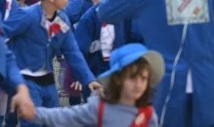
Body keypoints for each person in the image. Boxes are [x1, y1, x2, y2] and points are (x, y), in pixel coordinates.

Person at [3, 0, 100, 127]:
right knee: (32, 121)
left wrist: (89, 79)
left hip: (48, 80)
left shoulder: (63, 19)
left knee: (54, 121)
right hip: (26, 80)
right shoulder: (26, 16)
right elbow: (1, 35)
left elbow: (72, 51)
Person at [19, 43, 164, 127]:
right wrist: (35, 113)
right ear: (118, 79)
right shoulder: (100, 107)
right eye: (132, 78)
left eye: (144, 78)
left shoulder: (148, 113)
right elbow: (65, 116)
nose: (139, 84)